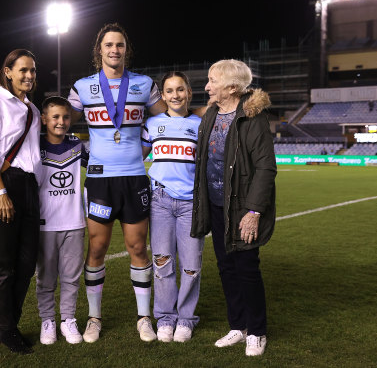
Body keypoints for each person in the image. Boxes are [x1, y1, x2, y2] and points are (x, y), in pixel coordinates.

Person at [67, 22, 167, 343]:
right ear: (100, 50)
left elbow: (165, 120)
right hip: (99, 180)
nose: (114, 50)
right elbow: (59, 122)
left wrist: (146, 146)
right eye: (109, 45)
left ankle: (144, 318)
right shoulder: (82, 87)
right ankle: (94, 318)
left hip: (135, 178)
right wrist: (83, 155)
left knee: (138, 247)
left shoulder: (143, 84)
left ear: (127, 50)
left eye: (120, 45)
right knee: (97, 247)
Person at [190, 59, 277, 357]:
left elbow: (266, 169)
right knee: (227, 268)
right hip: (215, 206)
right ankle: (238, 327)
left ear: (231, 87)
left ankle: (257, 331)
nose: (207, 86)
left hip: (241, 209)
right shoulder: (211, 113)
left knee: (247, 270)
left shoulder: (254, 119)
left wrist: (253, 212)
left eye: (212, 80)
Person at [0, 49, 42, 354]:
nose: (29, 76)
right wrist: (1, 193)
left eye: (33, 71)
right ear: (8, 72)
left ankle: (10, 321)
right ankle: (8, 330)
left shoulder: (34, 111)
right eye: (23, 70)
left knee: (27, 263)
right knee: (4, 264)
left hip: (30, 187)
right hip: (6, 185)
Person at [141, 71, 204, 343]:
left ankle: (186, 319)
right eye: (170, 90)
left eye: (180, 89)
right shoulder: (152, 124)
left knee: (191, 266)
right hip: (160, 202)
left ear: (188, 92)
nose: (175, 95)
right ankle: (166, 318)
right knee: (162, 262)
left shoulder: (201, 123)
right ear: (163, 95)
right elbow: (135, 158)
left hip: (192, 204)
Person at [36, 96, 87, 345]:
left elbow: (101, 167)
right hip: (45, 224)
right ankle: (48, 321)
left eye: (65, 117)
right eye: (55, 117)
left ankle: (68, 320)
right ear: (44, 119)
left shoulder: (78, 145)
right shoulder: (34, 146)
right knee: (45, 278)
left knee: (71, 277)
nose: (61, 122)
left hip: (74, 223)